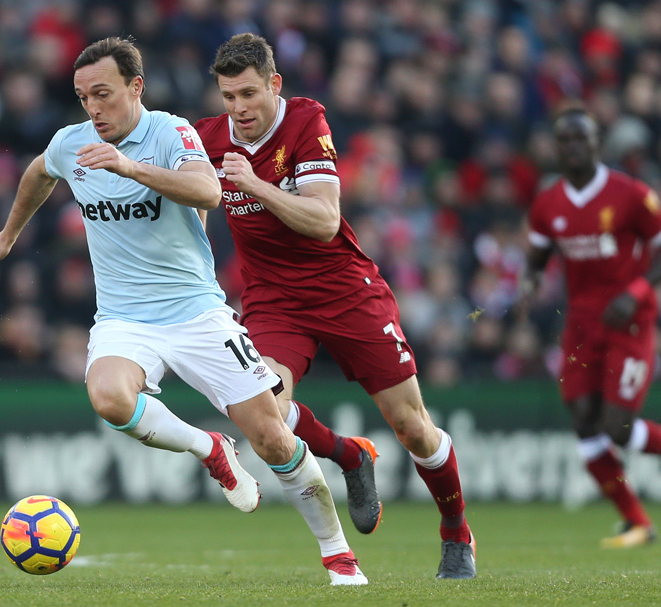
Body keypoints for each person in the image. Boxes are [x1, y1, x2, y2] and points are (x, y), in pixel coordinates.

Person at [0, 37, 366, 585]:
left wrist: (130, 169)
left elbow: (207, 191)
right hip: (124, 318)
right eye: (83, 97)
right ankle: (211, 449)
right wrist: (8, 236)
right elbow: (40, 171)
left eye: (103, 94)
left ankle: (337, 553)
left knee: (273, 438)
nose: (93, 108)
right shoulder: (72, 142)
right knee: (108, 397)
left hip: (197, 312)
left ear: (136, 88)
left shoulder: (170, 132)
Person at [195, 33, 476, 580]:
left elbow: (324, 222)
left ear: (274, 85)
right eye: (228, 97)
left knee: (413, 426)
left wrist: (254, 184)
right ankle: (349, 455)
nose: (239, 109)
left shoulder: (305, 123)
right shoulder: (205, 137)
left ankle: (455, 531)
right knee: (265, 413)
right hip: (274, 300)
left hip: (344, 289)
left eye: (249, 94)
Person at [522, 108, 661, 548]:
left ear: (597, 142)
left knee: (617, 427)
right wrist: (528, 285)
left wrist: (638, 289)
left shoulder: (630, 194)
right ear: (556, 148)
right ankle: (639, 523)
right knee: (584, 424)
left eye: (580, 138)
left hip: (629, 323)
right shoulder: (547, 204)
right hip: (580, 327)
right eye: (564, 140)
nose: (572, 146)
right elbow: (535, 260)